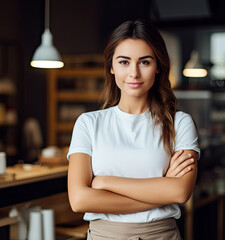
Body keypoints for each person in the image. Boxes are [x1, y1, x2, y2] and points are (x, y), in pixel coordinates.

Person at [67, 19, 200, 240]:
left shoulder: (180, 123)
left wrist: (104, 182)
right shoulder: (88, 123)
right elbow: (79, 200)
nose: (134, 73)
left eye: (144, 62)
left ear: (158, 67)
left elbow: (180, 192)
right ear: (111, 67)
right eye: (124, 62)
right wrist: (160, 192)